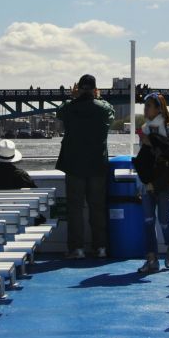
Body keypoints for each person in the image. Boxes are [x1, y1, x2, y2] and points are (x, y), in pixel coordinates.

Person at [56, 74, 115, 259]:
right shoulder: (104, 109)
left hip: (74, 165)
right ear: (95, 90)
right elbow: (110, 112)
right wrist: (96, 97)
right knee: (97, 207)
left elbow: (59, 112)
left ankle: (77, 249)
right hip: (97, 165)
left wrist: (73, 97)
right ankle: (101, 248)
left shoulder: (69, 108)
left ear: (79, 88)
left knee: (75, 209)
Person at [132, 92, 169, 274]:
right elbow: (144, 158)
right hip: (148, 180)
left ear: (158, 108)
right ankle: (151, 260)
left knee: (163, 220)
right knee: (148, 221)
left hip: (166, 179)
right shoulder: (145, 129)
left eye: (148, 106)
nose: (145, 109)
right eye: (144, 106)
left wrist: (151, 142)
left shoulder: (168, 128)